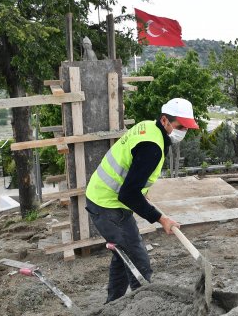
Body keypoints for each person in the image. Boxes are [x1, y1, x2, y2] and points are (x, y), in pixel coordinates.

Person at [85, 97, 199, 303]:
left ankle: (113, 305)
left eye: (187, 127)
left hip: (102, 196)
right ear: (164, 120)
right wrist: (161, 219)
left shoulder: (147, 127)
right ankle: (143, 306)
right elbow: (128, 194)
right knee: (139, 261)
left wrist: (142, 192)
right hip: (108, 205)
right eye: (180, 126)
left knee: (124, 256)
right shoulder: (152, 147)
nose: (184, 131)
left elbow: (132, 173)